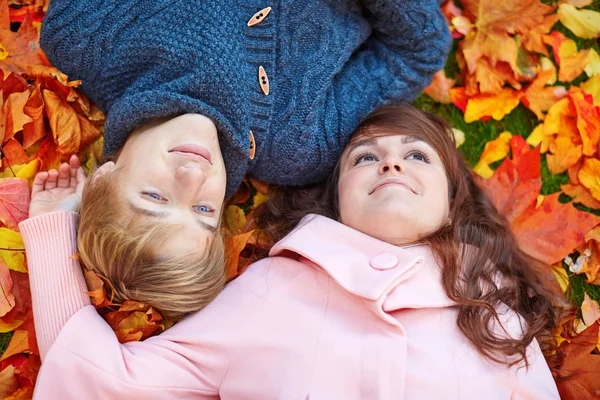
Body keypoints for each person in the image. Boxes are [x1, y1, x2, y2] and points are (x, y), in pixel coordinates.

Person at [20, 104, 560, 399]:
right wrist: (51, 231)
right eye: (364, 158)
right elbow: (99, 380)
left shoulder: (496, 313)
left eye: (417, 155)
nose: (391, 165)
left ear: (451, 205)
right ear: (337, 202)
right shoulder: (269, 294)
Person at [33, 0, 451, 326]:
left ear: (103, 177)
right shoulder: (296, 145)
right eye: (202, 211)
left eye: (155, 195)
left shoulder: (82, 37)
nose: (193, 177)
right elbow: (416, 51)